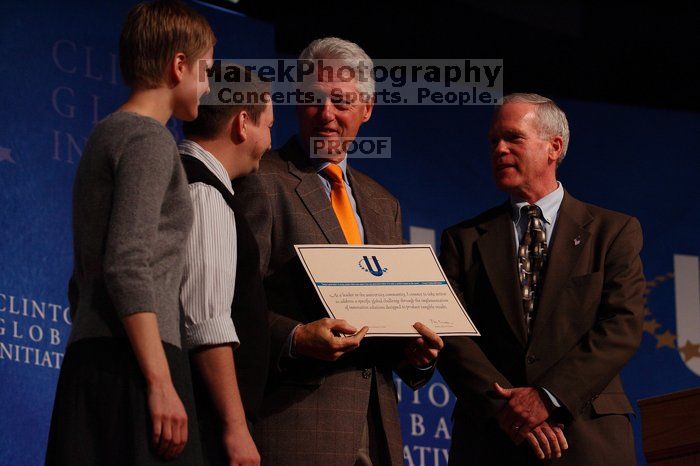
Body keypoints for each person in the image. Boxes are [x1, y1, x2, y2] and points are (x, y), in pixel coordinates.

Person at [232, 37, 444, 466]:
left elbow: (388, 313)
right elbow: (230, 301)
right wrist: (293, 339)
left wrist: (416, 356)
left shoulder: (384, 203)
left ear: (367, 108)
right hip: (295, 427)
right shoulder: (262, 180)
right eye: (314, 99)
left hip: (378, 429)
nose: (327, 115)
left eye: (341, 101)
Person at [45, 1, 215, 464]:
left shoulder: (104, 134)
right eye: (205, 70)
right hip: (137, 365)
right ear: (178, 65)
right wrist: (161, 382)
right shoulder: (149, 139)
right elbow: (126, 262)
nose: (207, 85)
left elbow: (84, 282)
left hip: (95, 361)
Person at [438, 93, 645, 465]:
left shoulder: (613, 231)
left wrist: (547, 397)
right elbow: (450, 333)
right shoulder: (464, 240)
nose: (499, 149)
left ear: (554, 147)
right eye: (493, 141)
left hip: (586, 436)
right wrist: (508, 407)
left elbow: (622, 325)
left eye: (513, 138)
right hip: (492, 438)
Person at [178, 70, 273, 466]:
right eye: (269, 126)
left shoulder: (185, 180)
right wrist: (235, 429)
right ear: (242, 123)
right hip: (206, 429)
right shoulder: (204, 193)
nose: (269, 141)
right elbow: (206, 322)